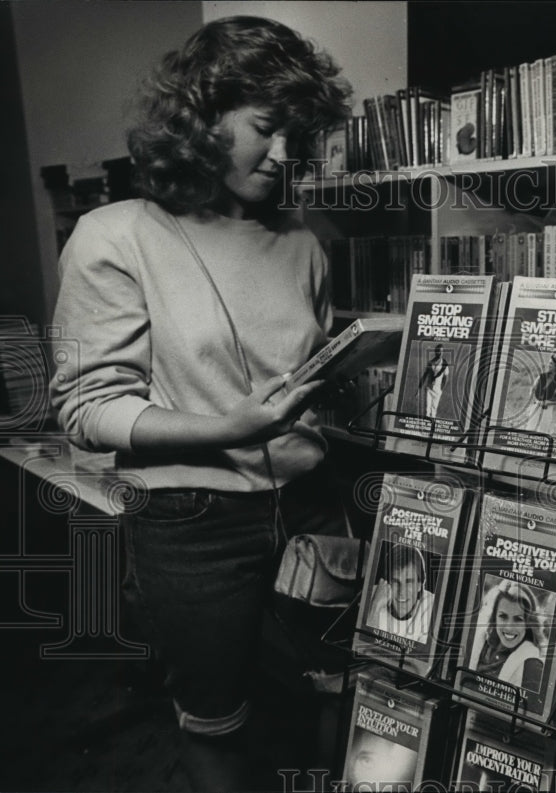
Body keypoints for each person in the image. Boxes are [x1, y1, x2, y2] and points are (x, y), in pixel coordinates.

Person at [48, 16, 352, 791]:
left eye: (300, 134)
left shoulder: (307, 239)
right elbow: (86, 408)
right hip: (194, 522)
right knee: (218, 717)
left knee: (331, 694)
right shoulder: (112, 236)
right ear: (199, 116)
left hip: (313, 502)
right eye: (265, 127)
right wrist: (227, 426)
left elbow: (300, 374)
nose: (286, 154)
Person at [469, 579, 545, 694]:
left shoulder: (533, 663)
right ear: (494, 618)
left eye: (518, 619)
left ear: (528, 623)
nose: (509, 627)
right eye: (503, 616)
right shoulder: (479, 639)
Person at [365, 544, 435, 645]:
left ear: (420, 585)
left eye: (409, 582)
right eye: (395, 581)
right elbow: (364, 648)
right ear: (386, 583)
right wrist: (375, 607)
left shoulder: (432, 605)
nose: (402, 592)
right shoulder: (372, 595)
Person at [520, 352, 556, 439]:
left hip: (546, 410)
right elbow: (532, 389)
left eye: (551, 363)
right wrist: (534, 403)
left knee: (542, 434)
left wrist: (548, 402)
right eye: (549, 363)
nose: (549, 365)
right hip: (535, 407)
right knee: (529, 431)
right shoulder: (542, 376)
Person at [419, 343, 449, 420]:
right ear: (436, 352)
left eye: (442, 351)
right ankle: (425, 426)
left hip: (437, 390)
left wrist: (441, 389)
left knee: (434, 409)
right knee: (427, 409)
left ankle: (431, 428)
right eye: (439, 351)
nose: (441, 353)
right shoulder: (430, 362)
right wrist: (419, 389)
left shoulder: (444, 364)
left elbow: (445, 378)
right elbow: (425, 375)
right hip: (429, 389)